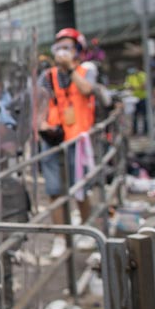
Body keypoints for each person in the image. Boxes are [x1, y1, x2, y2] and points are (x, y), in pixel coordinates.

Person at [38, 27, 96, 257]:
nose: (61, 52)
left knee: (81, 189)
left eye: (67, 47)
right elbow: (40, 105)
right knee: (54, 190)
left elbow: (87, 90)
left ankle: (87, 229)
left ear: (77, 50)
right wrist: (42, 125)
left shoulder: (86, 69)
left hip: (78, 139)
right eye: (58, 47)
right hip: (53, 138)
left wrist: (70, 68)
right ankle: (60, 237)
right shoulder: (47, 75)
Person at [125, 67, 148, 135]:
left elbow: (144, 86)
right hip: (134, 99)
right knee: (134, 116)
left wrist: (135, 88)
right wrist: (136, 88)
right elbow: (128, 86)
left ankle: (146, 131)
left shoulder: (142, 75)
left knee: (145, 116)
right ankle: (134, 131)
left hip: (143, 98)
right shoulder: (130, 76)